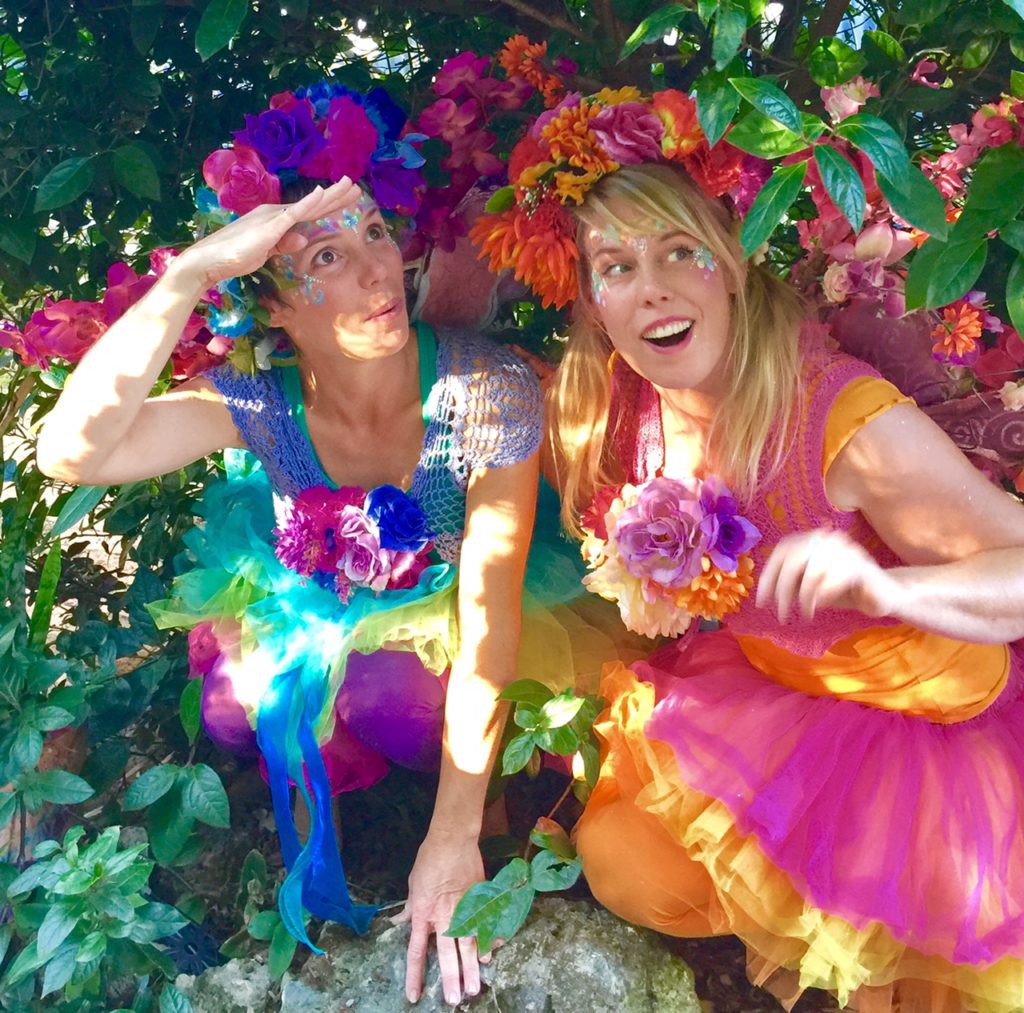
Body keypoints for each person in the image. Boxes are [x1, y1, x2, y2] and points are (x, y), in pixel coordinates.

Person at [36, 80, 589, 1007]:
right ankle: (346, 791)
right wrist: (186, 276)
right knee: (235, 703)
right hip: (342, 603)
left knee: (394, 693)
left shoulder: (485, 388)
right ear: (273, 311)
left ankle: (489, 803)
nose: (378, 273)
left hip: (485, 622)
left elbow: (490, 621)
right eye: (325, 258)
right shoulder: (257, 399)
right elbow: (70, 453)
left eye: (375, 233)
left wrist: (451, 839)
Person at [473, 87, 1024, 1011]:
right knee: (624, 864)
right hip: (769, 684)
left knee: (910, 927)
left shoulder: (839, 419)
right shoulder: (628, 403)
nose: (651, 286)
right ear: (591, 302)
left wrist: (888, 590)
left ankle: (851, 932)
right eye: (616, 265)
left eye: (678, 251)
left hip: (916, 717)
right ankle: (783, 909)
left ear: (729, 263)